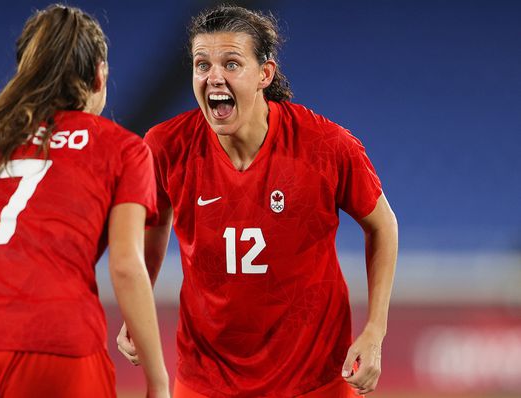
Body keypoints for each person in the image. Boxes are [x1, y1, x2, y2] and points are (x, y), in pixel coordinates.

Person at [117, 5, 398, 398]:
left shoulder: (325, 146)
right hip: (206, 379)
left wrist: (375, 331)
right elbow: (156, 220)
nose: (214, 76)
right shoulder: (165, 146)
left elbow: (382, 225)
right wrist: (138, 301)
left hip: (314, 379)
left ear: (264, 74)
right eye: (202, 65)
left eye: (231, 64)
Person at [0, 5, 169, 398]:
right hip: (57, 342)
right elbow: (126, 266)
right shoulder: (122, 149)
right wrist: (158, 381)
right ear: (100, 76)